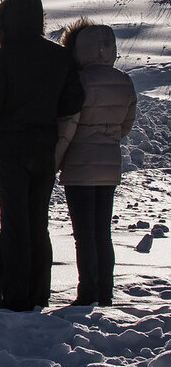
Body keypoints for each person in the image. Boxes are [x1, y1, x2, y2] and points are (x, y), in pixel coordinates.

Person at [0, 0, 84, 312]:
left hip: (10, 150)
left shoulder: (3, 58)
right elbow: (74, 101)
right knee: (38, 222)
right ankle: (39, 292)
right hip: (44, 147)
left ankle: (16, 295)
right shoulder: (58, 56)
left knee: (15, 223)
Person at [55, 20, 137, 306]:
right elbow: (125, 126)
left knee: (84, 236)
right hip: (109, 166)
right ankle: (106, 291)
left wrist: (54, 161)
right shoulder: (124, 81)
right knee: (103, 234)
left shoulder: (78, 82)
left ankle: (87, 292)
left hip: (79, 166)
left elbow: (67, 127)